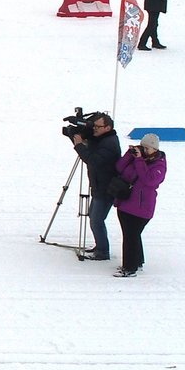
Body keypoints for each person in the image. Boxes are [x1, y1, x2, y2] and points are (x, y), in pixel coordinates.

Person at [113, 133, 168, 277]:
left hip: (142, 207)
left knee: (131, 236)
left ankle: (130, 268)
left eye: (148, 149)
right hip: (126, 202)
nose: (144, 151)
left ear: (155, 150)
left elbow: (149, 180)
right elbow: (119, 168)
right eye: (143, 147)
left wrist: (138, 160)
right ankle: (137, 261)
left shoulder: (159, 164)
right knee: (132, 235)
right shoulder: (136, 158)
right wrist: (129, 155)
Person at [69, 112, 121, 261]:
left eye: (98, 126)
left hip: (105, 189)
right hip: (99, 186)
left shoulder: (109, 143)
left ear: (107, 127)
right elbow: (91, 145)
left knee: (96, 221)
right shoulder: (103, 139)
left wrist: (79, 145)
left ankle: (103, 251)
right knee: (94, 217)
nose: (94, 129)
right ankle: (100, 247)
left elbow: (92, 159)